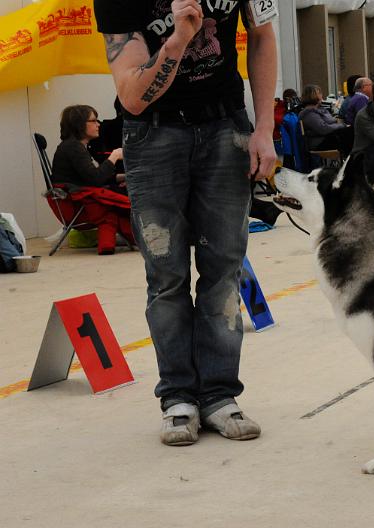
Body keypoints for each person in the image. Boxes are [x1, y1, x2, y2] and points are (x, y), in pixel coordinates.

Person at [96, 0, 278, 445]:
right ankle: (177, 398)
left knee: (224, 271)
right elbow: (131, 95)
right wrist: (177, 39)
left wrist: (265, 128)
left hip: (225, 126)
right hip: (152, 133)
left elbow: (262, 36)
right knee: (166, 275)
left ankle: (218, 396)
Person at [52, 104, 134, 254]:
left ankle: (116, 243)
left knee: (124, 189)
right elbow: (96, 180)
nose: (98, 125)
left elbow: (94, 177)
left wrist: (125, 177)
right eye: (94, 121)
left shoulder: (74, 146)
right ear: (79, 124)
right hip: (77, 205)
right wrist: (114, 156)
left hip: (77, 201)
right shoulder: (74, 148)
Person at [298, 84, 353, 155]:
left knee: (352, 132)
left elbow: (329, 123)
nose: (321, 95)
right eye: (319, 93)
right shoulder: (308, 113)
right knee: (351, 133)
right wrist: (342, 125)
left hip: (328, 137)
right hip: (319, 143)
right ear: (313, 96)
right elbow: (323, 128)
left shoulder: (320, 109)